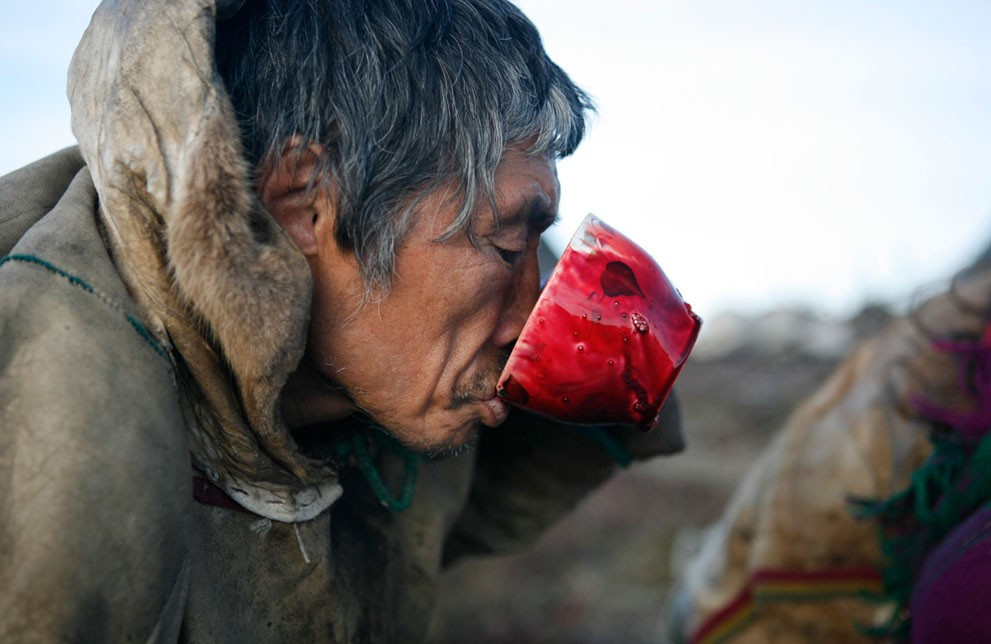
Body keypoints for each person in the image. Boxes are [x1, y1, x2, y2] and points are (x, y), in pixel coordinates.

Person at [0, 0, 684, 641]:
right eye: (507, 247)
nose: (529, 319)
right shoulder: (57, 435)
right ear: (304, 205)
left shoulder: (395, 364)